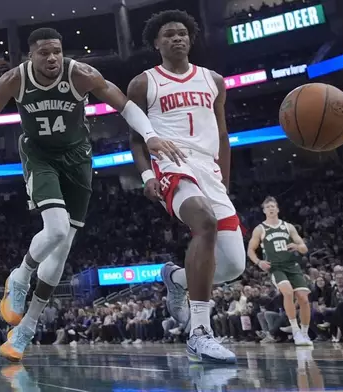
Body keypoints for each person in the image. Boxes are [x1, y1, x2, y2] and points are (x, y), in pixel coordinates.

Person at [0, 27, 182, 362]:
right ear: (30, 56)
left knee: (62, 249)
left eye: (57, 51)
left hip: (77, 159)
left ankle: (26, 330)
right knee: (56, 228)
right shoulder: (14, 80)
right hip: (39, 156)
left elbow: (122, 105)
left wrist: (150, 135)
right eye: (44, 53)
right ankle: (19, 276)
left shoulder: (81, 74)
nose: (52, 58)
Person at [128, 10, 245, 363]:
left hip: (209, 170)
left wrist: (223, 179)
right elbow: (135, 139)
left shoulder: (214, 80)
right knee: (204, 222)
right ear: (156, 43)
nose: (177, 39)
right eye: (169, 35)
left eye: (182, 34)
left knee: (232, 266)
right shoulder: (144, 82)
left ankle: (176, 278)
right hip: (172, 164)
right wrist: (147, 176)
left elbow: (223, 134)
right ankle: (200, 332)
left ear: (191, 39)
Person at [247, 196, 312, 346]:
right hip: (275, 267)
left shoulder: (288, 227)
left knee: (303, 298)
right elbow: (250, 250)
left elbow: (304, 248)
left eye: (273, 206)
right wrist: (259, 262)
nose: (271, 208)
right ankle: (295, 330)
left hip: (291, 266)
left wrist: (297, 247)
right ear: (264, 211)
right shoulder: (260, 229)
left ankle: (304, 333)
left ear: (277, 209)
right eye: (268, 206)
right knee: (288, 292)